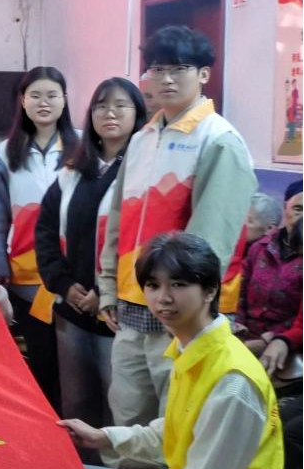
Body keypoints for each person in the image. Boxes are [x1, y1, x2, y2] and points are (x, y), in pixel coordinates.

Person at [55, 233, 283, 469]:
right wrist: (104, 436)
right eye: (153, 284)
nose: (163, 298)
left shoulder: (232, 380)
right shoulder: (193, 348)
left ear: (210, 290)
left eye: (178, 284)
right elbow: (173, 428)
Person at [99, 26, 258, 433]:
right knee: (127, 424)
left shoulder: (219, 140)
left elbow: (211, 243)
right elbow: (118, 220)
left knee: (180, 429)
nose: (166, 79)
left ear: (203, 74)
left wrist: (183, 308)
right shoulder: (142, 138)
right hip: (133, 306)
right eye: (158, 69)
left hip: (183, 314)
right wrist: (108, 288)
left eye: (180, 69)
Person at [36, 78, 147, 431]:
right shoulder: (72, 172)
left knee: (122, 410)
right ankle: (81, 468)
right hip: (72, 308)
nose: (110, 113)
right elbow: (45, 231)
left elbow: (144, 240)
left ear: (137, 113)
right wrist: (64, 285)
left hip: (120, 313)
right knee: (77, 405)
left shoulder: (144, 170)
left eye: (120, 105)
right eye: (101, 106)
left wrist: (105, 293)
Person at [0, 66, 78, 412]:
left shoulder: (83, 145)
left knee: (76, 364)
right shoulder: (5, 152)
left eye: (52, 95)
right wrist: (0, 264)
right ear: (23, 101)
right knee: (41, 360)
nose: (44, 102)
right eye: (35, 95)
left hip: (73, 274)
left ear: (64, 100)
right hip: (25, 274)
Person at [236, 215, 302, 370]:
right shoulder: (259, 248)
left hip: (282, 342)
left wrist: (277, 339)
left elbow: (299, 322)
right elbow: (240, 291)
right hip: (247, 334)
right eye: (297, 209)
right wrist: (238, 324)